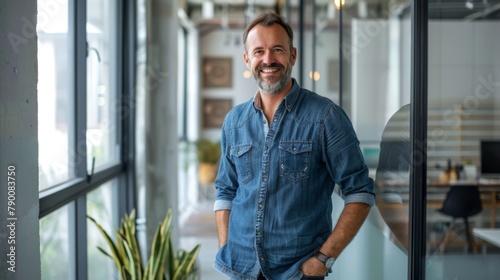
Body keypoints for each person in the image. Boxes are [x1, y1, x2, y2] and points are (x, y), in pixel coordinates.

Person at [213, 11, 375, 280]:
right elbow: (225, 191)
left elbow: (359, 192)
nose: (268, 60)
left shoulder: (326, 117)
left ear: (293, 55)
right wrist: (225, 246)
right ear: (247, 59)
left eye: (277, 50)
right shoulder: (234, 122)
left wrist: (323, 259)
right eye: (259, 52)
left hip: (297, 273)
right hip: (240, 269)